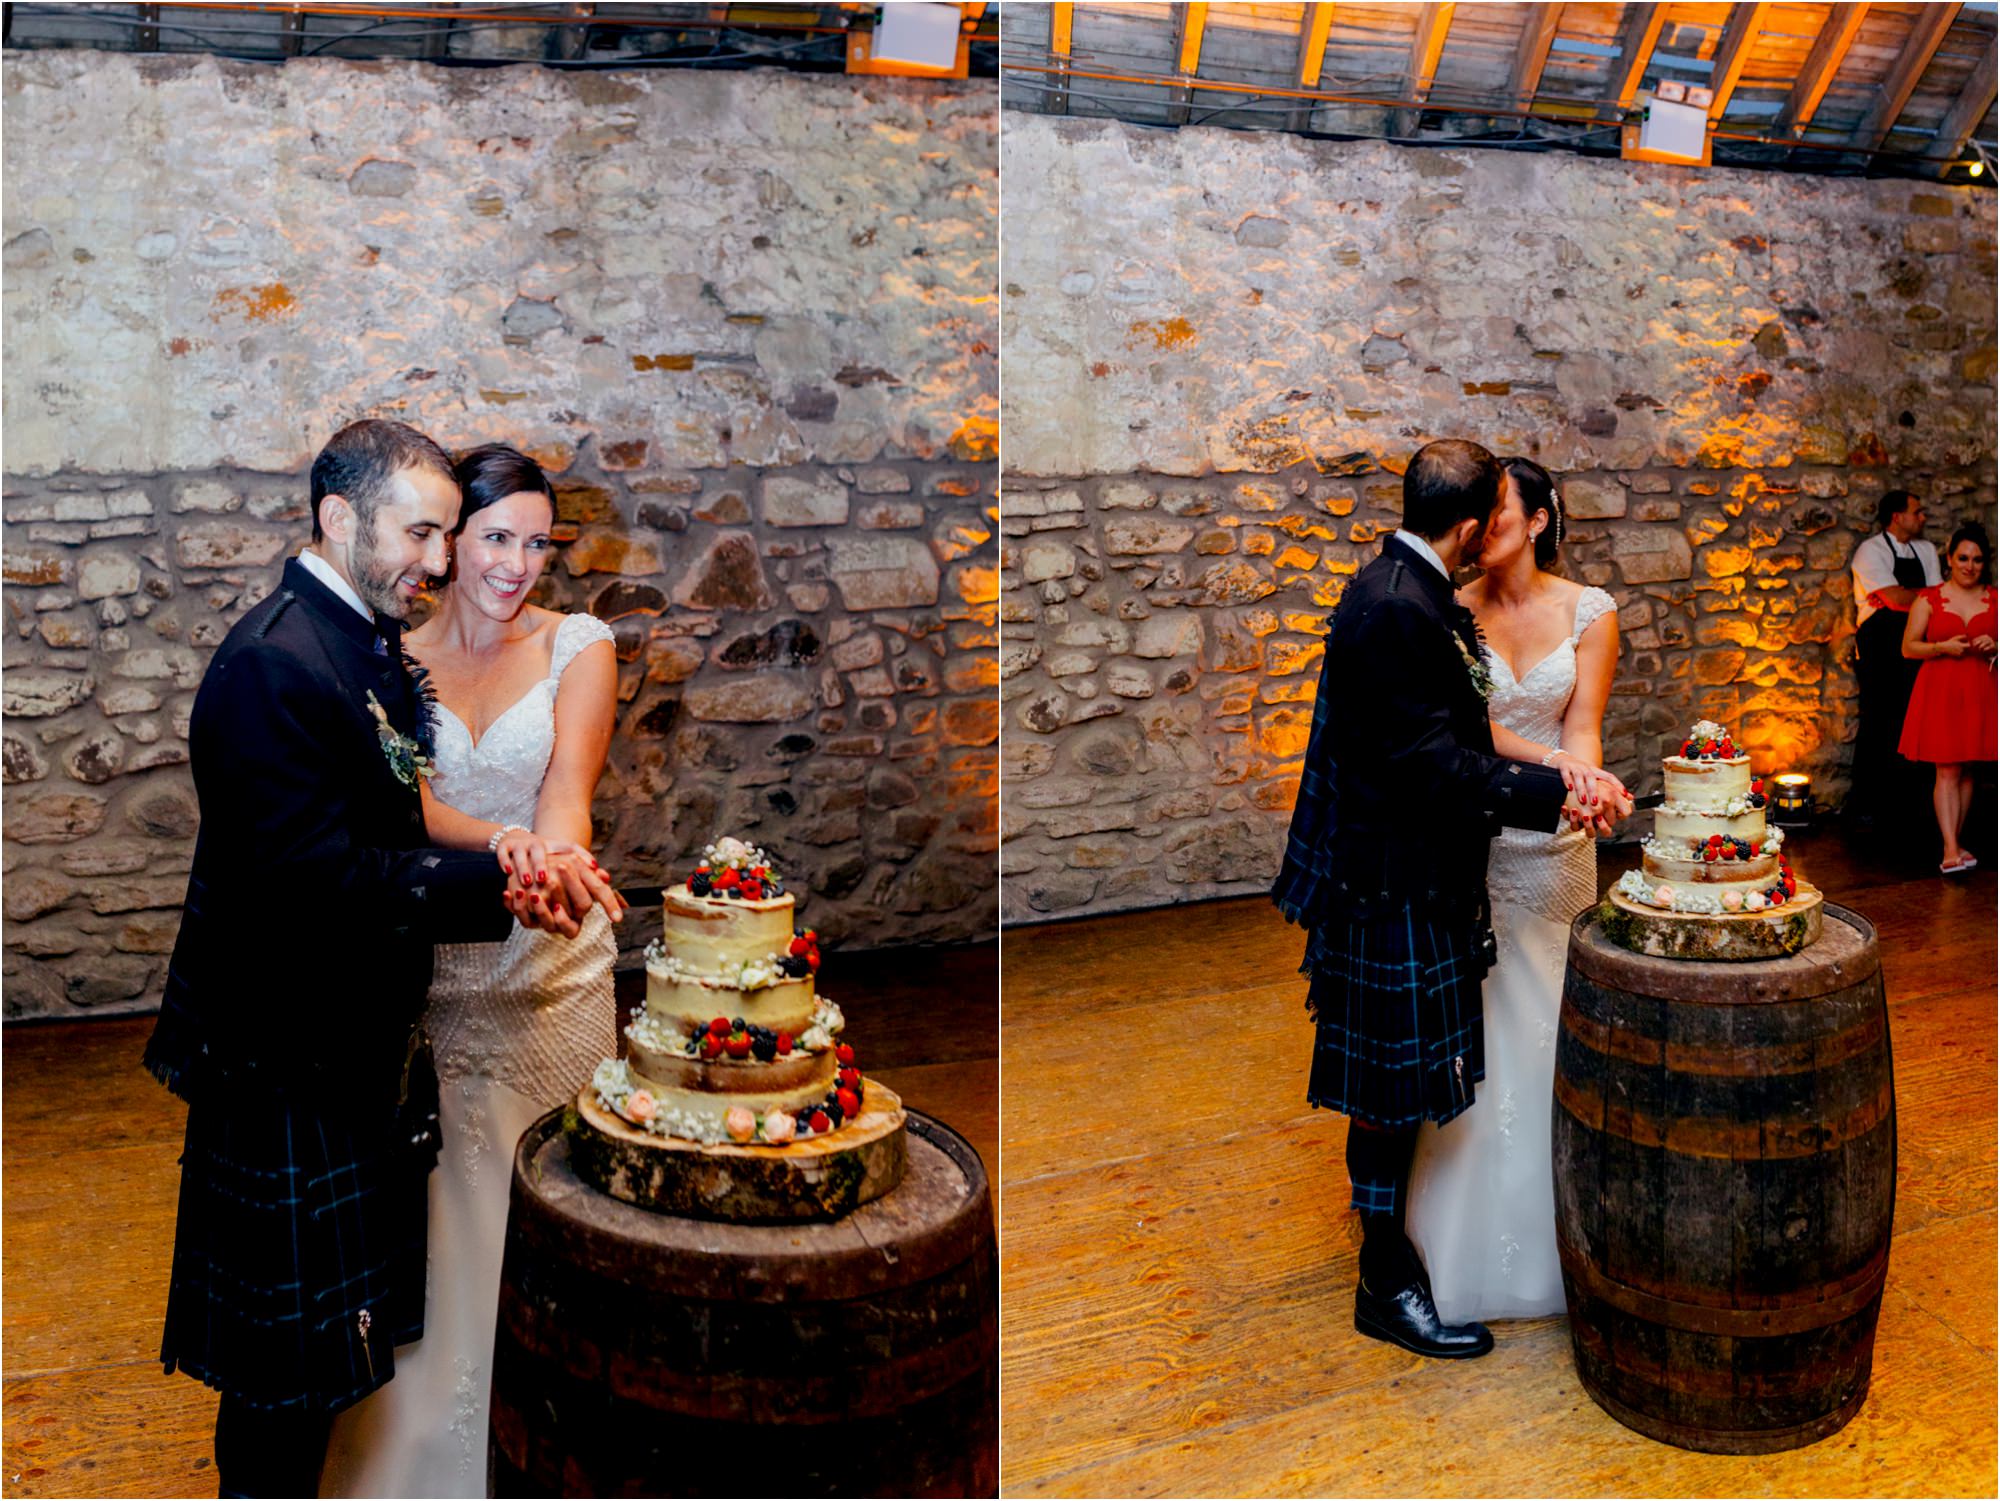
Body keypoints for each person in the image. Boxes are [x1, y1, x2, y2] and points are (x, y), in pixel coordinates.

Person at [143, 419, 620, 1499]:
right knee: (281, 1381)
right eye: (424, 532)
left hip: (343, 1048)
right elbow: (316, 887)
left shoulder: (353, 640)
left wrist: (510, 845)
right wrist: (501, 884)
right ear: (338, 518)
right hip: (283, 1059)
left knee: (322, 1359)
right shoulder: (275, 664)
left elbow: (400, 808)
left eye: (449, 532)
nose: (444, 561)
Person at [1271, 438, 1630, 1362]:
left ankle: (1390, 1263)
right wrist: (1558, 793)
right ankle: (1385, 1281)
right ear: (1469, 526)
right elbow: (1432, 765)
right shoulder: (1404, 608)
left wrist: (1564, 768)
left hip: (1419, 877)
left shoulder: (1409, 591)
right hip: (1391, 883)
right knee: (1387, 1094)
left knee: (1401, 1084)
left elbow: (1469, 726)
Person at [320, 444, 625, 1496]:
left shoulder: (580, 643)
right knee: (447, 1200)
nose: (517, 564)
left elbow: (567, 793)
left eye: (538, 542)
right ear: (451, 543)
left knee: (556, 1196)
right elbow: (405, 812)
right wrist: (507, 856)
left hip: (552, 966)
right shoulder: (393, 657)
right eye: (498, 537)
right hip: (442, 964)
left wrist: (552, 861)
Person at [1405, 457, 1622, 1324]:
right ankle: (1465, 1244)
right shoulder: (1450, 610)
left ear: (1537, 520)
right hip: (1484, 836)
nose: (1484, 522)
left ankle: (1569, 1230)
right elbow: (1476, 730)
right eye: (1480, 509)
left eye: (1500, 509)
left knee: (1556, 1022)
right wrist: (1560, 770)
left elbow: (1585, 725)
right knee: (1486, 1018)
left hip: (1560, 845)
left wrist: (1588, 786)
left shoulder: (1591, 611)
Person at [1898, 521, 1997, 874]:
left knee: (1968, 768)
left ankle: (1957, 841)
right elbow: (1908, 647)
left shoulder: (1996, 598)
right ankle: (1950, 848)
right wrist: (1941, 646)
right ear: (1950, 559)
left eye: (1978, 560)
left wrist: (1996, 646)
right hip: (1941, 687)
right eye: (1964, 558)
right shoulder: (1928, 599)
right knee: (1947, 769)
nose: (1970, 566)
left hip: (1981, 687)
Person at [1849, 489, 1940, 825]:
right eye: (1917, 512)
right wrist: (1920, 597)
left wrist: (1908, 597)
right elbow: (1895, 599)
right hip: (1880, 645)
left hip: (1917, 642)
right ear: (1897, 517)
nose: (1923, 518)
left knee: (1915, 717)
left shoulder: (1926, 549)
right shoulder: (1870, 550)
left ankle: (1911, 803)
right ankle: (1869, 804)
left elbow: (1935, 596)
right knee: (1879, 718)